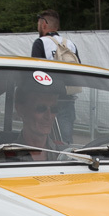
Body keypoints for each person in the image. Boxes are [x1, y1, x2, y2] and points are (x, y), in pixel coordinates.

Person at [31, 9, 79, 141]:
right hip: (68, 99)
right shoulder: (70, 45)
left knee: (42, 137)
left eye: (38, 23)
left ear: (44, 24)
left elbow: (35, 73)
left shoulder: (41, 43)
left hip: (46, 99)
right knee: (65, 139)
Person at [11, 86, 64, 160]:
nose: (48, 116)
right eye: (41, 108)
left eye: (54, 109)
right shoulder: (4, 159)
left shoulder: (65, 155)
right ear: (21, 110)